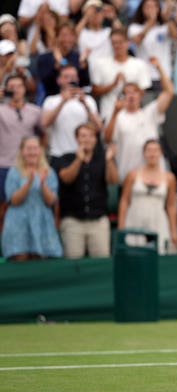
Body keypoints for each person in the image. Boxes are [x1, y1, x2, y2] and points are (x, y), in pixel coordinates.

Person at [103, 56, 173, 183]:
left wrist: (159, 68)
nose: (131, 95)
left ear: (141, 95)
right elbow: (107, 138)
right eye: (127, 92)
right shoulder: (117, 117)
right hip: (127, 178)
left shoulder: (150, 112)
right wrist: (114, 112)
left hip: (154, 178)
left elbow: (168, 92)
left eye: (134, 92)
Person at [54, 123, 118, 258]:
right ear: (76, 139)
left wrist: (109, 160)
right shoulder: (66, 158)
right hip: (73, 221)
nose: (87, 139)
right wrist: (78, 160)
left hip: (98, 220)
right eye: (83, 136)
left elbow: (112, 180)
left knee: (101, 262)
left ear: (95, 139)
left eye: (90, 136)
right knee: (73, 263)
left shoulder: (102, 158)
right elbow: (66, 178)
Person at [1, 135, 62, 261]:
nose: (32, 152)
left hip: (42, 222)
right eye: (28, 148)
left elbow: (51, 201)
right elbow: (14, 200)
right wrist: (29, 182)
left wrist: (42, 183)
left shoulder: (49, 172)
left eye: (35, 148)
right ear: (22, 151)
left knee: (40, 259)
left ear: (40, 151)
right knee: (20, 258)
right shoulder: (14, 172)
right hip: (18, 223)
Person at [118, 139, 177, 255]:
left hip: (158, 222)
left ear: (161, 153)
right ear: (144, 153)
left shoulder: (170, 178)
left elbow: (171, 206)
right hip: (134, 221)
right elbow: (124, 201)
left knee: (159, 254)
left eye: (156, 150)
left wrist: (174, 231)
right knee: (133, 255)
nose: (152, 154)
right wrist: (121, 227)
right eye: (149, 150)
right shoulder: (132, 174)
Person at [0, 73, 43, 233]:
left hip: (27, 166)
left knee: (28, 206)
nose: (15, 90)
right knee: (3, 209)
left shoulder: (35, 111)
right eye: (11, 88)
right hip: (4, 164)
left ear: (25, 89)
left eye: (19, 86)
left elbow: (44, 133)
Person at [41, 64, 102, 166]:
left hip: (83, 153)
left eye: (73, 77)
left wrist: (85, 105)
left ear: (77, 79)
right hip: (58, 154)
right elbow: (44, 123)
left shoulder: (88, 100)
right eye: (66, 77)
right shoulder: (51, 101)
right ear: (59, 80)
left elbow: (98, 127)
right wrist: (63, 101)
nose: (70, 80)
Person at [89, 27, 151, 120]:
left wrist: (128, 87)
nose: (117, 45)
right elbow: (95, 91)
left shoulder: (139, 64)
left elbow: (143, 91)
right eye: (114, 42)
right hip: (108, 113)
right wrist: (113, 84)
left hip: (133, 116)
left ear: (127, 42)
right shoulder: (101, 64)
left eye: (120, 42)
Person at [128, 0, 177, 90]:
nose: (151, 10)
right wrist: (150, 23)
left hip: (163, 74)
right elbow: (137, 40)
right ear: (142, 9)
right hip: (143, 75)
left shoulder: (164, 27)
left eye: (154, 7)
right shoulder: (135, 27)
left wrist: (166, 18)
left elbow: (175, 35)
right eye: (147, 7)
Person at [37, 21, 91, 98]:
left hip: (75, 98)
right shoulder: (45, 58)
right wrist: (57, 66)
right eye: (64, 35)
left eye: (71, 35)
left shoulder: (78, 58)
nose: (67, 39)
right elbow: (46, 83)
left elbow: (85, 84)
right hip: (52, 99)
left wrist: (83, 66)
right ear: (56, 37)